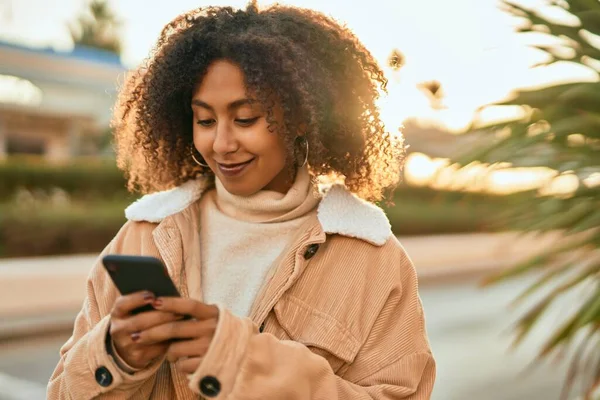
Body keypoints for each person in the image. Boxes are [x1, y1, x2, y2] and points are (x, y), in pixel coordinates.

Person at [48, 2, 435, 399]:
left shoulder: (372, 261)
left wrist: (242, 362)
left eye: (246, 118)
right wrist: (115, 356)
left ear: (302, 116)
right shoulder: (142, 236)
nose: (222, 144)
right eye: (205, 120)